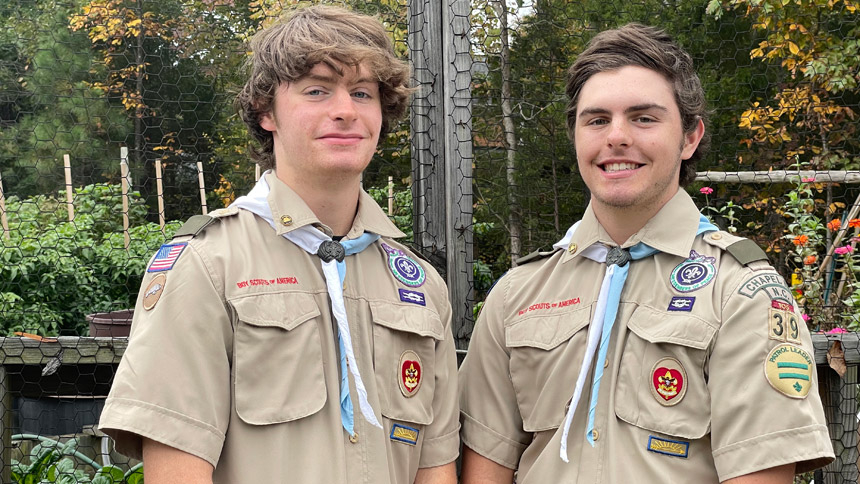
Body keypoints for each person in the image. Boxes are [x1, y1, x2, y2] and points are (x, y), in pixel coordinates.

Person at [458, 23, 834, 484]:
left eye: (644, 118)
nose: (616, 137)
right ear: (575, 136)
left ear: (690, 137)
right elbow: (485, 466)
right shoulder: (518, 292)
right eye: (596, 120)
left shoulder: (741, 291)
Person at [98, 6, 459, 484]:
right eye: (317, 90)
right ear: (266, 111)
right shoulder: (208, 263)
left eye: (362, 93)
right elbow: (176, 470)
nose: (345, 110)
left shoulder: (420, 285)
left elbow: (434, 468)